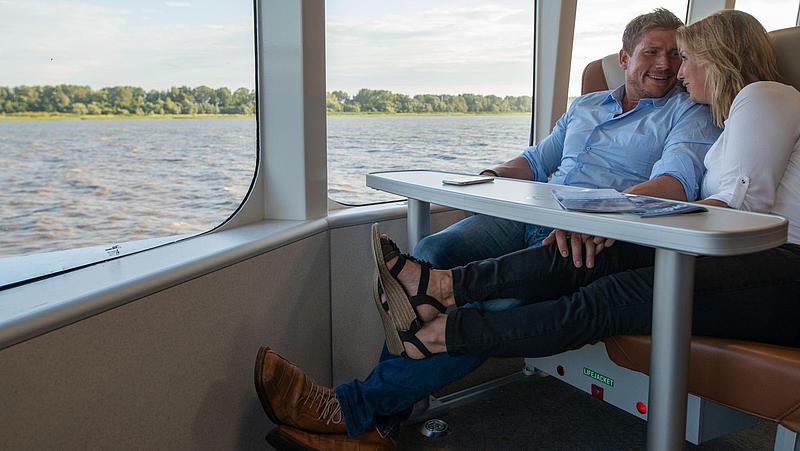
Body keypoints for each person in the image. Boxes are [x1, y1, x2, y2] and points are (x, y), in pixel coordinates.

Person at [255, 8, 724, 450]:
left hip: (585, 237)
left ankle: (358, 415)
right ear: (624, 58)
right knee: (433, 253)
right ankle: (375, 419)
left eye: (675, 55)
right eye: (652, 52)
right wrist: (486, 181)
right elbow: (539, 160)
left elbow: (675, 183)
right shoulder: (587, 106)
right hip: (527, 213)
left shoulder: (687, 111)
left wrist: (598, 215)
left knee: (496, 304)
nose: (665, 65)